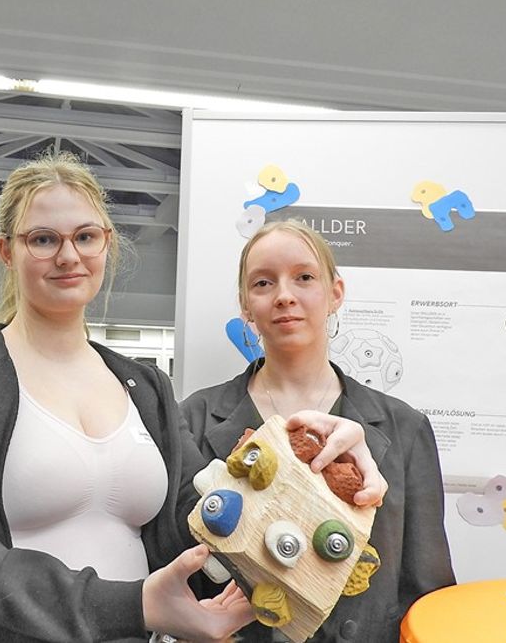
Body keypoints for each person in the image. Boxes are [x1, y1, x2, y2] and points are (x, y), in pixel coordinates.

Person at [0, 153, 385, 642]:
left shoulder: (145, 387)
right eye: (43, 239)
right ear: (6, 251)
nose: (68, 256)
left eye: (86, 237)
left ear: (107, 243)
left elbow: (208, 512)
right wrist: (136, 605)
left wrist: (313, 468)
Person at [180, 219, 455, 643]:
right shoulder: (194, 419)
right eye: (263, 283)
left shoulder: (405, 428)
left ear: (335, 293)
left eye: (304, 277)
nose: (284, 295)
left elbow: (428, 594)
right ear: (246, 306)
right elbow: (182, 573)